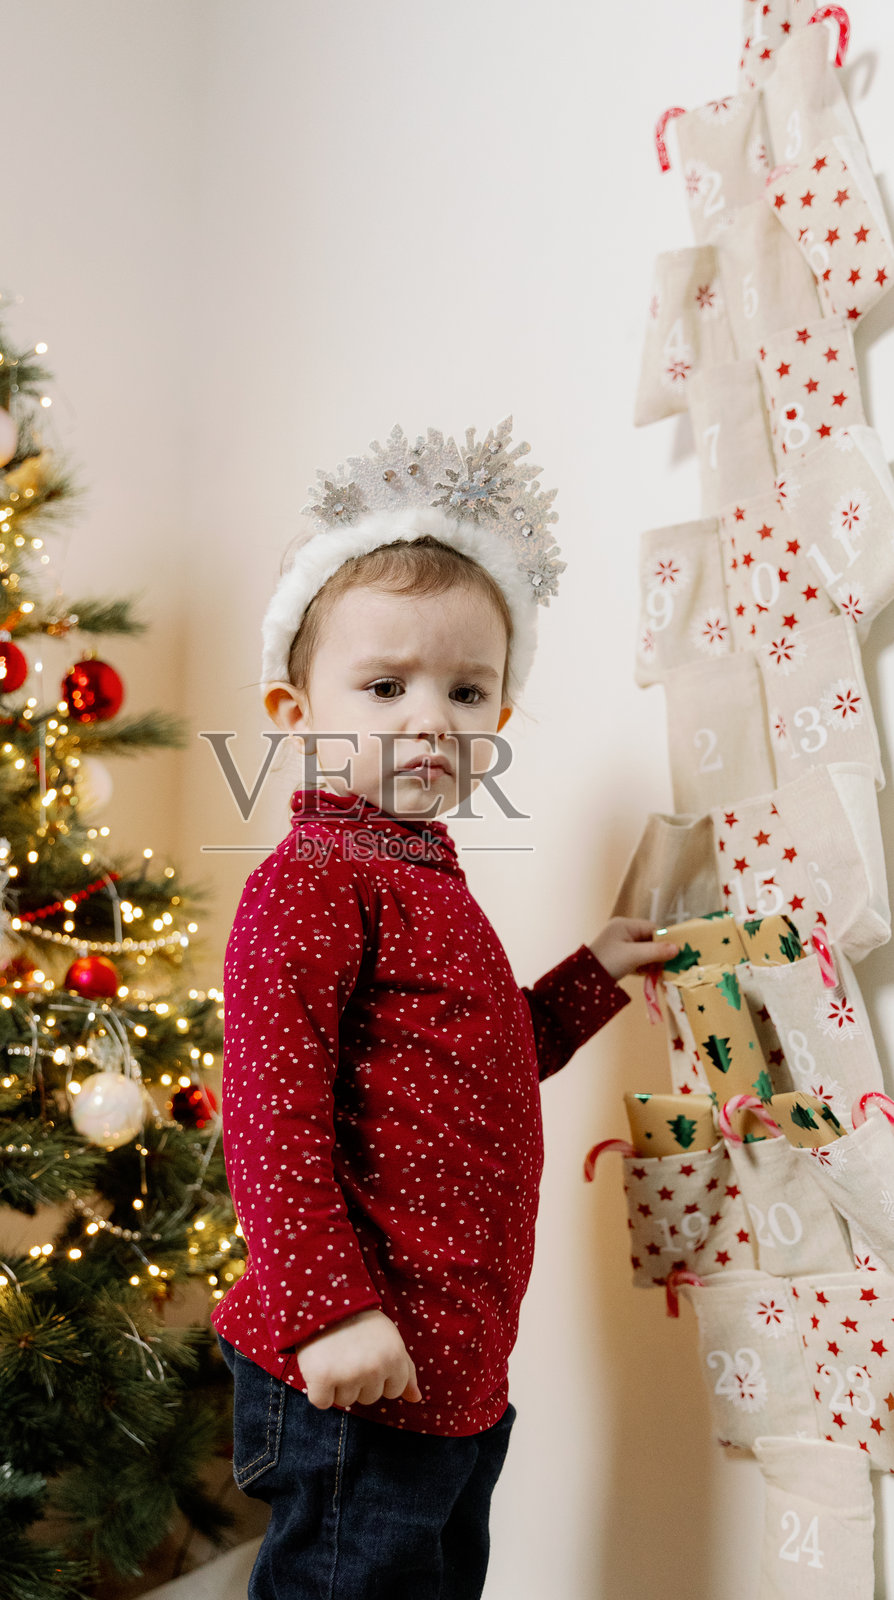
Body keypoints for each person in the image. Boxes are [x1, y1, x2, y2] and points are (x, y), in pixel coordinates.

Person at [212, 421, 676, 1600]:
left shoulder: (425, 880)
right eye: (384, 685)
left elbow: (477, 1062)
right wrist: (328, 1315)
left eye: (467, 690)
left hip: (454, 1361)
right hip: (356, 1361)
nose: (431, 718)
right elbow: (269, 1116)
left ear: (500, 718)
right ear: (290, 706)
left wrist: (592, 975)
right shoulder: (313, 885)